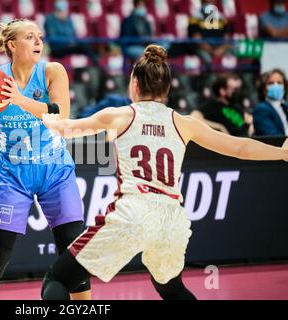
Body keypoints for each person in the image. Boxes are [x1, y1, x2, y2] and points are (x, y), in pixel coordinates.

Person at [40, 44, 288, 300]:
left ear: (134, 84)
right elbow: (240, 148)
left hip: (134, 211)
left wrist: (49, 119)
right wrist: (281, 152)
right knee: (171, 287)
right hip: (172, 218)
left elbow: (67, 130)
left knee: (58, 279)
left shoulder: (120, 115)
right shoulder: (185, 123)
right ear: (168, 89)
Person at [0, 19, 91, 300]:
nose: (38, 41)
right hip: (13, 173)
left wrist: (18, 99)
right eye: (30, 37)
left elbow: (61, 115)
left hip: (55, 170)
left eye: (39, 36)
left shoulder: (52, 71)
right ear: (12, 45)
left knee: (72, 249)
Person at [44, 0, 99, 66]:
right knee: (82, 46)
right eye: (61, 11)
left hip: (69, 46)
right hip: (57, 49)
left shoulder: (68, 19)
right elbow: (52, 37)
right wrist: (68, 42)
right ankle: (98, 67)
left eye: (65, 10)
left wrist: (71, 42)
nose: (65, 12)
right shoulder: (49, 19)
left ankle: (96, 67)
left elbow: (73, 34)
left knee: (85, 46)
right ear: (57, 11)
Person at [188, 0, 233, 67]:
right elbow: (197, 39)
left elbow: (226, 38)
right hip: (204, 49)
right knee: (209, 61)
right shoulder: (195, 17)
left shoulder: (222, 17)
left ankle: (233, 76)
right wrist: (212, 51)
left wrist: (221, 49)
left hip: (221, 49)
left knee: (232, 54)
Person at [253, 69, 288, 136]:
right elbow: (273, 138)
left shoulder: (284, 106)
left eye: (279, 83)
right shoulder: (261, 109)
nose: (276, 86)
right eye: (271, 83)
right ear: (264, 89)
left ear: (284, 87)